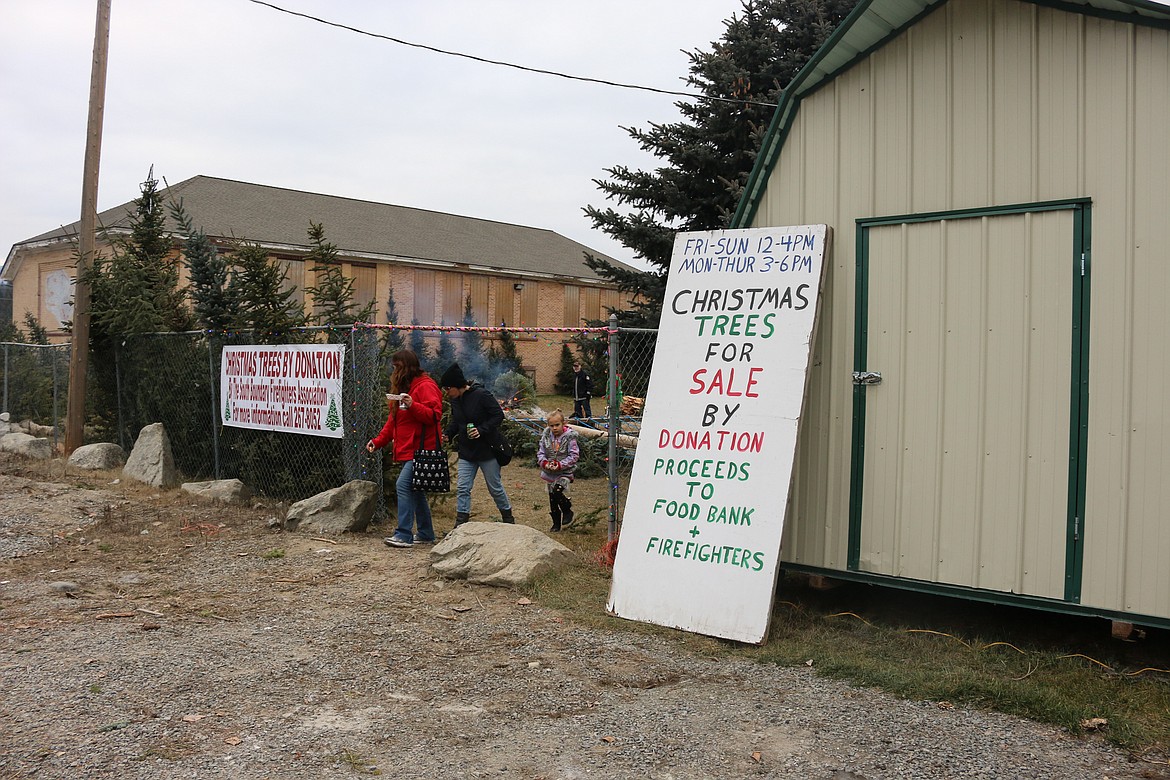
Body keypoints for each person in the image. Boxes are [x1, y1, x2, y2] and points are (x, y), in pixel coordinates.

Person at [366, 349, 443, 548]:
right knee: (415, 490)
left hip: (421, 448)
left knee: (403, 485)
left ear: (407, 367)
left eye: (397, 367)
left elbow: (434, 415)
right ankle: (426, 533)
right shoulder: (403, 387)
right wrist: (378, 441)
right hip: (409, 448)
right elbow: (393, 422)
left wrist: (413, 405)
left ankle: (403, 534)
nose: (395, 371)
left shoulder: (425, 386)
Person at [440, 362, 516, 527]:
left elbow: (498, 415)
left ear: (457, 385)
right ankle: (460, 525)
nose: (446, 392)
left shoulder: (481, 395)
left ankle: (508, 519)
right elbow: (456, 421)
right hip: (467, 452)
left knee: (494, 487)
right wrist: (448, 433)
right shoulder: (455, 401)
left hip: (487, 450)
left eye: (447, 388)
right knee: (463, 488)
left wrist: (481, 430)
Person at [537, 409, 579, 532]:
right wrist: (545, 463)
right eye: (551, 426)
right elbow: (541, 453)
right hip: (550, 472)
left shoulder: (569, 438)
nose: (554, 428)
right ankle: (556, 523)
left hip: (564, 472)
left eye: (557, 425)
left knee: (557, 491)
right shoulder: (546, 437)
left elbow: (574, 456)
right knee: (552, 499)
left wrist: (561, 465)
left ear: (563, 423)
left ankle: (567, 509)